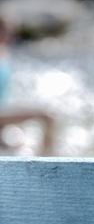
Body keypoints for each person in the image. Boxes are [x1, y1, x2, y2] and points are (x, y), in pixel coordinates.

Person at [0, 13, 55, 155]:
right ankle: (48, 165)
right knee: (47, 116)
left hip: (3, 118)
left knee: (24, 145)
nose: (11, 36)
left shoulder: (4, 53)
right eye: (6, 32)